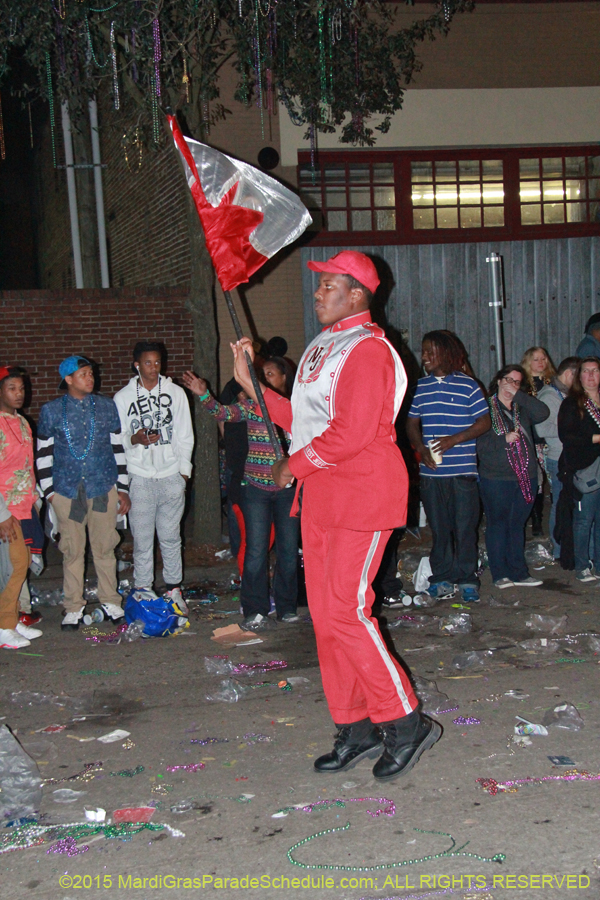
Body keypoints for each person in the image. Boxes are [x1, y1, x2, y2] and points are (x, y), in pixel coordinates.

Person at [232, 250, 439, 783]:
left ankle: (405, 720)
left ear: (358, 293)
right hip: (321, 497)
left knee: (348, 612)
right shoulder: (324, 346)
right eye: (319, 285)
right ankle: (356, 724)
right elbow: (300, 421)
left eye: (328, 285)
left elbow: (352, 432)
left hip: (362, 496)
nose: (318, 293)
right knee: (327, 620)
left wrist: (291, 465)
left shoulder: (369, 348)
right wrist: (252, 382)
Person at [182, 364, 300, 625]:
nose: (264, 378)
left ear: (284, 379)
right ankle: (255, 608)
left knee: (289, 551)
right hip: (255, 488)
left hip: (287, 490)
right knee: (256, 550)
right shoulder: (252, 406)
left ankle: (286, 607)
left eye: (270, 374)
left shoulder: (295, 407)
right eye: (262, 375)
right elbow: (223, 413)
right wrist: (204, 394)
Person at [37, 356, 131, 631]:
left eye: (91, 373)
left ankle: (110, 601)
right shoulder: (51, 411)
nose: (90, 378)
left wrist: (122, 488)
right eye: (84, 374)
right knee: (72, 550)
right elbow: (43, 454)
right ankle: (73, 607)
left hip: (102, 487)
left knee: (105, 547)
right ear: (68, 379)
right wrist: (50, 493)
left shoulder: (106, 406)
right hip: (67, 491)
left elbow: (117, 447)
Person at [405, 331, 491, 604]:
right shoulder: (420, 387)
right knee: (440, 529)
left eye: (430, 351)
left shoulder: (469, 385)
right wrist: (420, 449)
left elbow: (484, 422)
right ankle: (441, 578)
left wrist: (453, 440)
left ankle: (467, 579)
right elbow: (411, 423)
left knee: (465, 528)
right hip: (432, 474)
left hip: (463, 471)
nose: (424, 357)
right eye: (423, 351)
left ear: (446, 353)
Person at [114, 342, 193, 604]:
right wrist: (135, 439)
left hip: (171, 475)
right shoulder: (123, 398)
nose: (154, 367)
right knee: (142, 540)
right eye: (148, 363)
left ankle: (174, 588)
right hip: (140, 477)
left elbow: (185, 435)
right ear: (136, 365)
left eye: (157, 362)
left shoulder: (176, 393)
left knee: (171, 537)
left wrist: (183, 474)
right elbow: (118, 438)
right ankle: (144, 588)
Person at [477, 365, 549, 588]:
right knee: (498, 524)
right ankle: (500, 573)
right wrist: (503, 440)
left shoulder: (522, 407)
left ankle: (519, 572)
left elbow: (543, 412)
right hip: (496, 477)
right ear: (498, 381)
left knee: (517, 524)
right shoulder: (485, 408)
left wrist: (518, 395)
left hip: (525, 475)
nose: (511, 385)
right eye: (508, 380)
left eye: (517, 382)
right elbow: (478, 444)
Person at [0, 367, 43, 649]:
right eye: (12, 388)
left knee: (23, 562)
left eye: (22, 388)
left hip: (25, 505)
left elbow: (27, 466)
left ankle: (12, 619)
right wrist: (1, 514)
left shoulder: (23, 422)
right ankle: (3, 627)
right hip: (6, 508)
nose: (19, 394)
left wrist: (35, 499)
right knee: (14, 565)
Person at [557, 357, 600, 582]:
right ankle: (582, 565)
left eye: (595, 371)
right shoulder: (572, 404)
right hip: (585, 469)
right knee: (584, 520)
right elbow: (567, 436)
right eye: (586, 371)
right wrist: (595, 438)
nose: (591, 376)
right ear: (579, 376)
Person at [536, 357, 579, 559]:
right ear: (569, 374)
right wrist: (574, 428)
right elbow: (543, 429)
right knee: (560, 504)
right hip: (558, 457)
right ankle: (559, 549)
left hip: (569, 456)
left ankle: (568, 547)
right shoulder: (549, 396)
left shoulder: (564, 393)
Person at [520, 346, 556, 536]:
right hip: (533, 439)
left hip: (552, 438)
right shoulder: (523, 384)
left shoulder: (553, 382)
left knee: (554, 478)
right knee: (537, 481)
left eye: (543, 358)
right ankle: (536, 521)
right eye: (536, 359)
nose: (541, 362)